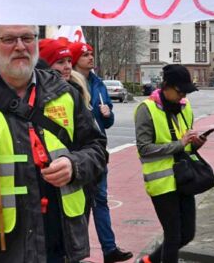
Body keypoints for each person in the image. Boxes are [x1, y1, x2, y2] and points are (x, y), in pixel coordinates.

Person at [0, 24, 107, 262]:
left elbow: (97, 150)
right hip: (2, 247)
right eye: (9, 39)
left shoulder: (65, 93)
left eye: (27, 38)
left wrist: (74, 164)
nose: (20, 46)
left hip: (61, 242)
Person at [135, 64, 206, 263]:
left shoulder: (185, 106)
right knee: (173, 236)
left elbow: (186, 146)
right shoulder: (146, 109)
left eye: (186, 92)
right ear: (165, 86)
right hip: (162, 182)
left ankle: (148, 261)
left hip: (184, 179)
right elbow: (144, 149)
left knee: (187, 234)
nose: (183, 96)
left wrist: (195, 143)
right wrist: (179, 144)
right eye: (180, 91)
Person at [72, 40, 132, 263]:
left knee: (100, 200)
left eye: (91, 54)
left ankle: (109, 249)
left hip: (98, 152)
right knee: (80, 205)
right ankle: (77, 251)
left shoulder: (99, 84)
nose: (90, 57)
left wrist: (108, 115)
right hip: (78, 154)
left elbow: (108, 123)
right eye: (85, 54)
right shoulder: (70, 84)